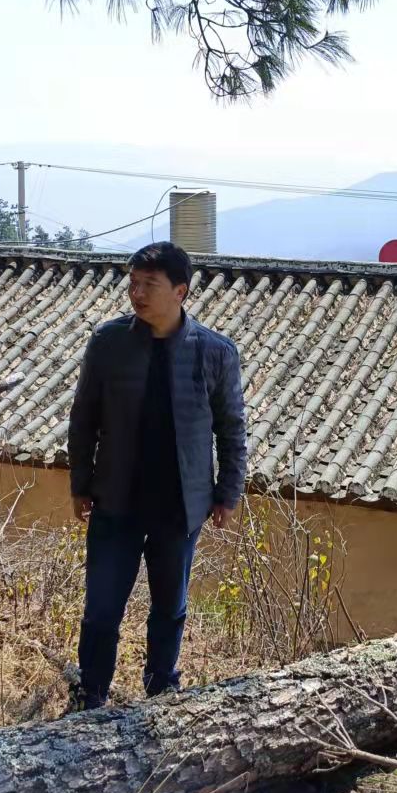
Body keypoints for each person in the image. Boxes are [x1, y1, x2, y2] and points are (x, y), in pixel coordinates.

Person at [66, 241, 246, 711]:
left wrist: (228, 492)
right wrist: (80, 483)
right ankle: (91, 693)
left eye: (150, 284)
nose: (137, 294)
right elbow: (83, 418)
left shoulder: (215, 352)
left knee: (170, 606)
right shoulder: (109, 343)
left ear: (180, 291)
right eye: (133, 283)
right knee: (102, 608)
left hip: (179, 504)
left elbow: (231, 429)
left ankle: (162, 690)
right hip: (116, 499)